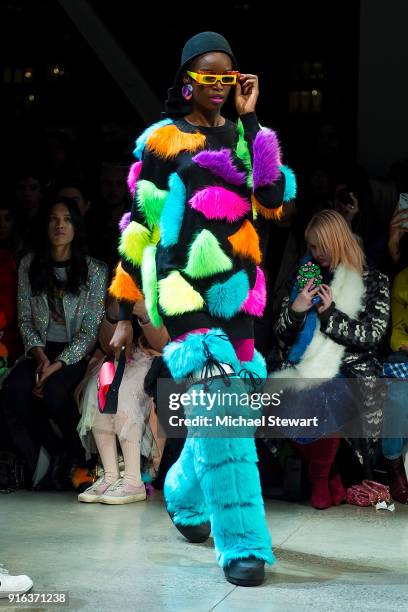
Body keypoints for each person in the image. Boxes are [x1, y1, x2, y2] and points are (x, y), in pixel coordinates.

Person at [109, 31, 296, 586]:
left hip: (239, 292)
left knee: (227, 411)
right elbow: (140, 226)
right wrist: (124, 311)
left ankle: (181, 493)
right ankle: (242, 545)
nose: (219, 87)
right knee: (221, 404)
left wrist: (255, 123)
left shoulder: (246, 135)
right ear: (187, 80)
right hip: (182, 291)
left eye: (229, 77)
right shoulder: (162, 141)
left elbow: (273, 200)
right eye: (209, 77)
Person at [272, 210, 390, 508]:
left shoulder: (374, 281)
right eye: (311, 247)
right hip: (304, 367)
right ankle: (328, 474)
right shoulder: (306, 277)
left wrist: (329, 315)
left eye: (322, 245)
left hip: (352, 372)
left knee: (322, 391)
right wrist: (296, 310)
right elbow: (282, 334)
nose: (317, 253)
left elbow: (371, 336)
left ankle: (321, 477)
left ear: (338, 240)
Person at [2, 196, 108, 489]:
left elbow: (89, 332)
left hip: (75, 353)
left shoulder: (95, 271)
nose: (60, 225)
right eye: (53, 219)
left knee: (55, 391)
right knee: (13, 390)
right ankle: (56, 449)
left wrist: (55, 365)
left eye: (67, 219)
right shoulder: (29, 265)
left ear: (76, 226)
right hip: (40, 350)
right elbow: (24, 319)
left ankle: (80, 458)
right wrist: (40, 358)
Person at [76, 298, 168, 504]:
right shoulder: (122, 284)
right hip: (122, 356)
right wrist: (113, 315)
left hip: (157, 357)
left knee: (126, 393)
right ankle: (110, 475)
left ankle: (134, 479)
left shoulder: (167, 281)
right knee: (99, 387)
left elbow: (163, 343)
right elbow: (107, 344)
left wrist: (145, 315)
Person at [381, 266, 408, 503]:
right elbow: (397, 334)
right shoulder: (403, 279)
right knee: (397, 397)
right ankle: (393, 463)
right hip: (405, 353)